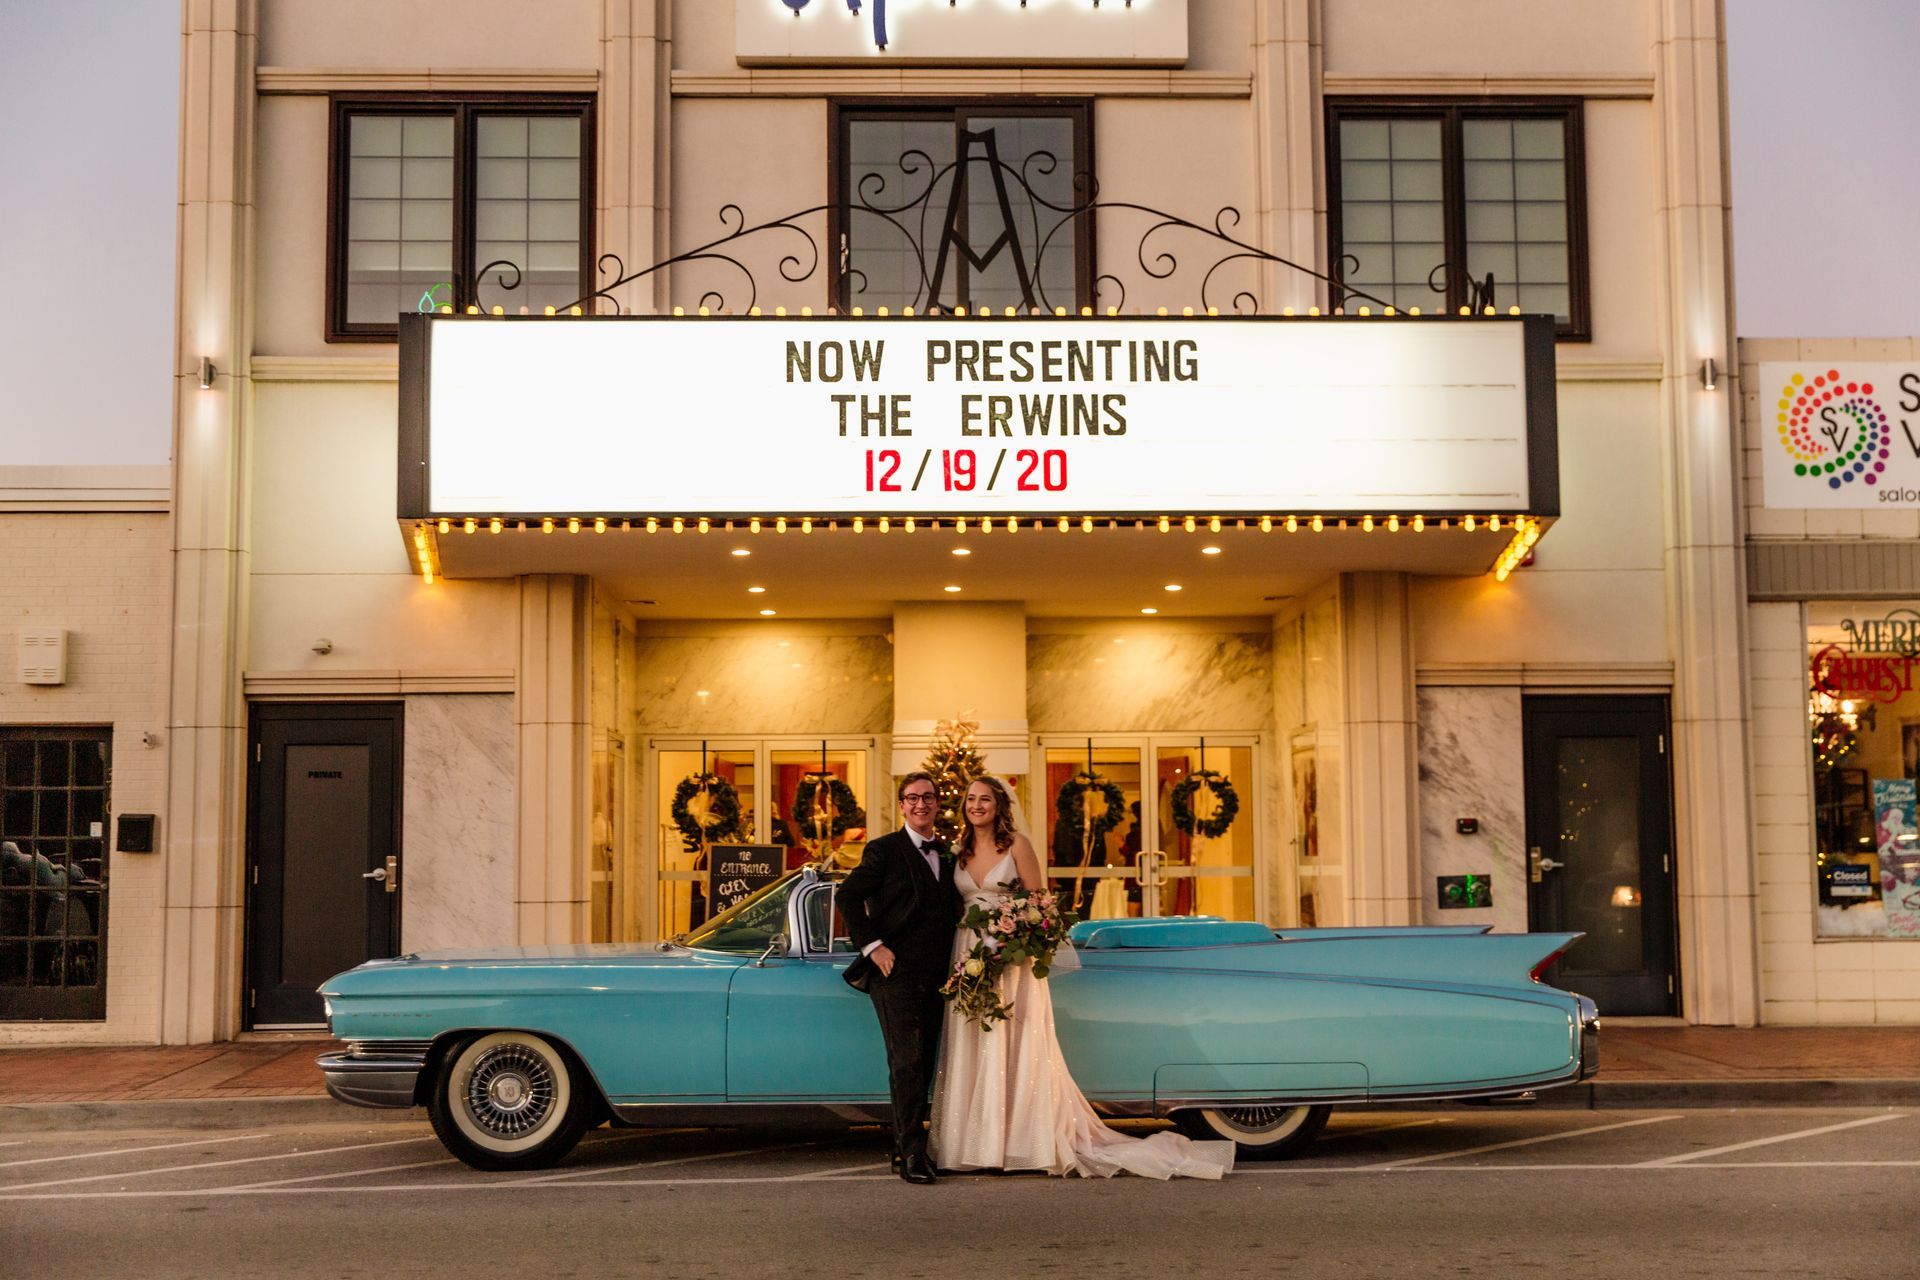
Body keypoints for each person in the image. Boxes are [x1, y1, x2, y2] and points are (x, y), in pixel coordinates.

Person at [929, 776, 1235, 1180]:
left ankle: (1023, 1143)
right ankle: (977, 1144)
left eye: (985, 799)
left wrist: (1009, 938)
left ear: (999, 805)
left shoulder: (1016, 845)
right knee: (976, 1040)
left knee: (1015, 1043)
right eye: (971, 799)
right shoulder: (959, 851)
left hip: (1013, 959)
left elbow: (1039, 904)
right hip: (968, 952)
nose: (976, 805)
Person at [836, 771, 961, 1185]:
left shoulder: (946, 854)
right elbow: (848, 895)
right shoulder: (884, 850)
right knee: (905, 1064)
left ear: (937, 804)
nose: (921, 804)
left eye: (928, 797)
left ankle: (901, 1147)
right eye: (913, 798)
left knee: (924, 1065)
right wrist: (873, 946)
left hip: (938, 975)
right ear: (902, 805)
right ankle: (912, 1155)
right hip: (895, 974)